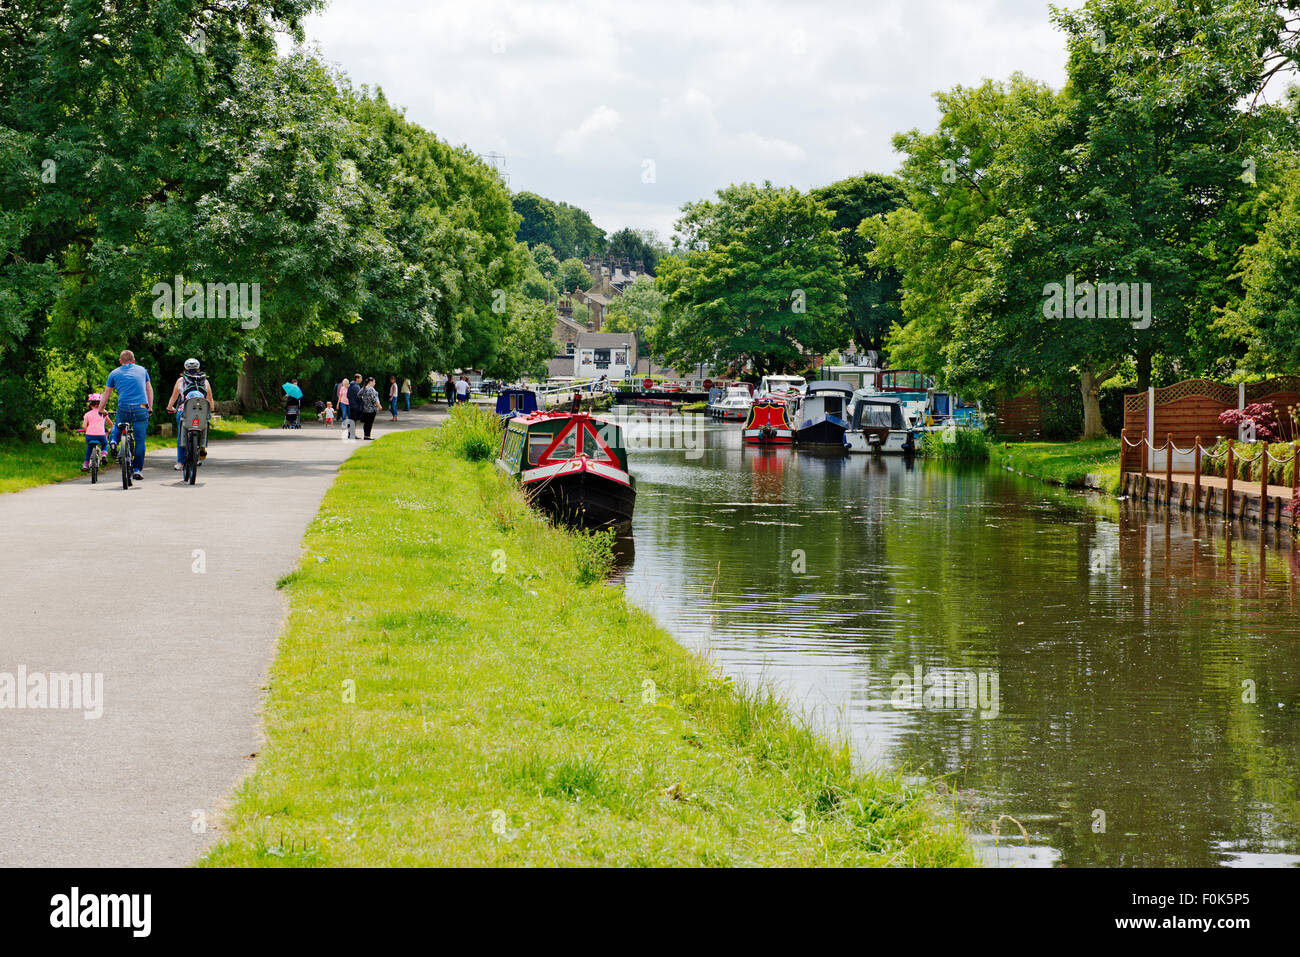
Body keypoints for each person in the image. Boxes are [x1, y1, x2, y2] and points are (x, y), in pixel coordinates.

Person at [99, 350, 152, 481]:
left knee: (118, 424)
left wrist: (101, 408)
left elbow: (107, 393)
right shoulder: (142, 370)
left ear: (120, 362)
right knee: (140, 440)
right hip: (141, 407)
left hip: (124, 406)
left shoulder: (114, 373)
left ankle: (113, 441)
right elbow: (149, 389)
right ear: (133, 360)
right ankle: (137, 469)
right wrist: (150, 407)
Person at [165, 358, 215, 471]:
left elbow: (174, 397)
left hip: (185, 410)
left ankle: (180, 463)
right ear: (198, 369)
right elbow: (210, 399)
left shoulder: (180, 381)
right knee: (204, 425)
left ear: (185, 369)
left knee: (181, 433)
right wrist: (211, 409)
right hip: (201, 411)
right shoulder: (205, 381)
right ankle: (201, 446)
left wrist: (170, 407)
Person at [79, 393, 111, 471]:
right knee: (105, 444)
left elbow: (84, 426)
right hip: (101, 435)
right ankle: (103, 454)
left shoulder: (87, 414)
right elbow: (111, 424)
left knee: (89, 447)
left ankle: (86, 464)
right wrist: (110, 429)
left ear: (90, 405)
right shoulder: (104, 413)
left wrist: (87, 430)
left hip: (89, 435)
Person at [346, 374, 363, 440]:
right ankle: (352, 435)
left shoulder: (350, 385)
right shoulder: (356, 386)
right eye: (361, 378)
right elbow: (358, 396)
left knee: (351, 420)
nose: (361, 380)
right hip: (355, 406)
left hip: (351, 405)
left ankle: (350, 434)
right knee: (353, 420)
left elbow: (347, 395)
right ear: (357, 379)